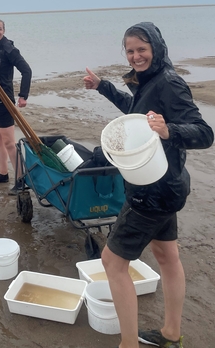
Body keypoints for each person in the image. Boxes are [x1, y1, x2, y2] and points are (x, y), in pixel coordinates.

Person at [83, 22, 214, 348]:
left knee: (112, 264)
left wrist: (170, 130)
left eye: (141, 49)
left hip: (152, 191)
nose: (135, 56)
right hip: (168, 186)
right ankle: (171, 334)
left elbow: (204, 133)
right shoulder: (149, 79)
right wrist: (103, 86)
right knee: (167, 255)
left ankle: (128, 344)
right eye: (130, 50)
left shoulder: (169, 83)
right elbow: (136, 113)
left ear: (155, 47)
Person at [0, 18, 32, 195]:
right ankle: (3, 174)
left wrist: (23, 96)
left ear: (3, 30)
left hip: (4, 101)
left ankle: (21, 179)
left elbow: (26, 70)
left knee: (9, 142)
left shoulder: (9, 49)